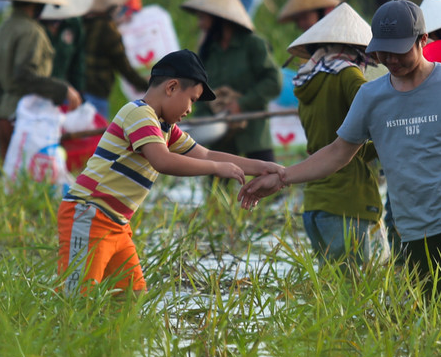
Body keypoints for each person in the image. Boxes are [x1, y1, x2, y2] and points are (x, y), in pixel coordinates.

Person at [240, 0, 441, 299]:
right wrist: (283, 176)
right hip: (418, 234)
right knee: (424, 326)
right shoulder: (370, 96)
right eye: (383, 50)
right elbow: (338, 152)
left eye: (399, 50)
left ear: (423, 40)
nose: (390, 59)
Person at [59, 49, 280, 296]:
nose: (190, 110)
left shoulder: (165, 127)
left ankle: (113, 335)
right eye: (192, 100)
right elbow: (162, 161)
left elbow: (205, 154)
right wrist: (218, 169)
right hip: (90, 214)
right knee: (75, 299)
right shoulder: (139, 114)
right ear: (172, 87)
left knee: (131, 299)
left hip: (117, 223)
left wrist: (260, 166)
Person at [284, 4, 382, 265]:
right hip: (346, 202)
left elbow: (333, 141)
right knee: (357, 294)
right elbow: (378, 115)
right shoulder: (349, 74)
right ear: (357, 49)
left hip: (315, 202)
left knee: (332, 294)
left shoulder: (306, 81)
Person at [0, 0, 83, 160]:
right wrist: (64, 90)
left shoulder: (3, 28)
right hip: (23, 118)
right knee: (26, 180)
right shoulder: (32, 32)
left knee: (7, 180)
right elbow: (25, 75)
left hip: (2, 115)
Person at [181, 0, 282, 163]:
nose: (200, 24)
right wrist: (198, 124)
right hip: (220, 133)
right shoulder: (208, 52)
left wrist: (241, 104)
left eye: (203, 18)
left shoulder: (254, 45)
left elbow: (273, 81)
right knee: (216, 184)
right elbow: (202, 94)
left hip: (253, 128)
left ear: (219, 20)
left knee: (269, 179)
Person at [82, 0, 149, 118]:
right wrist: (149, 85)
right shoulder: (109, 31)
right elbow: (124, 68)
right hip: (97, 95)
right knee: (95, 140)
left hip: (77, 92)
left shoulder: (81, 23)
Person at [40, 0, 93, 95]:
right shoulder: (33, 28)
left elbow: (78, 61)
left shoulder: (73, 23)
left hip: (64, 95)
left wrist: (79, 92)